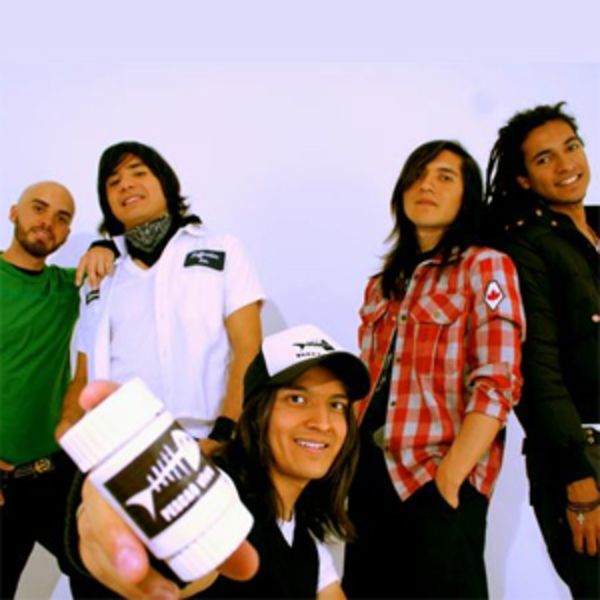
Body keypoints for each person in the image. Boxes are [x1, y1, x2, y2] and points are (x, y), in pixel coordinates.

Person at [342, 140, 526, 599]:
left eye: (445, 177)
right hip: (369, 477)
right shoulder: (381, 285)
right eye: (417, 176)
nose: (426, 186)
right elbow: (365, 384)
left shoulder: (486, 267)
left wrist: (451, 477)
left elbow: (497, 382)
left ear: (468, 195)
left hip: (435, 475)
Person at [66, 323, 371, 599]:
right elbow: (180, 552)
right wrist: (120, 513)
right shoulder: (221, 497)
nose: (323, 422)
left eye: (336, 405)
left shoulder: (307, 544)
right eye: (297, 399)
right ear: (257, 414)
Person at [61, 141, 265, 452]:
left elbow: (248, 348)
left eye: (138, 173)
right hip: (121, 446)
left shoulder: (222, 248)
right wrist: (68, 426)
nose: (126, 184)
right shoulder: (100, 275)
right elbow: (84, 375)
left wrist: (225, 434)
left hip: (205, 438)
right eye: (113, 182)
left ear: (165, 184)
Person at [485, 102, 599, 598]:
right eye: (544, 158)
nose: (565, 164)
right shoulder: (525, 248)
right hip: (584, 457)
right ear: (524, 179)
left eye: (571, 147)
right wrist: (577, 478)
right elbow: (536, 370)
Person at [0, 181, 115, 598]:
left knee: (102, 580)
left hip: (52, 477)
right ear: (14, 212)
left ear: (66, 234)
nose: (47, 222)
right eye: (39, 208)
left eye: (61, 218)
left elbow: (118, 270)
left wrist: (105, 248)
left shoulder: (69, 288)